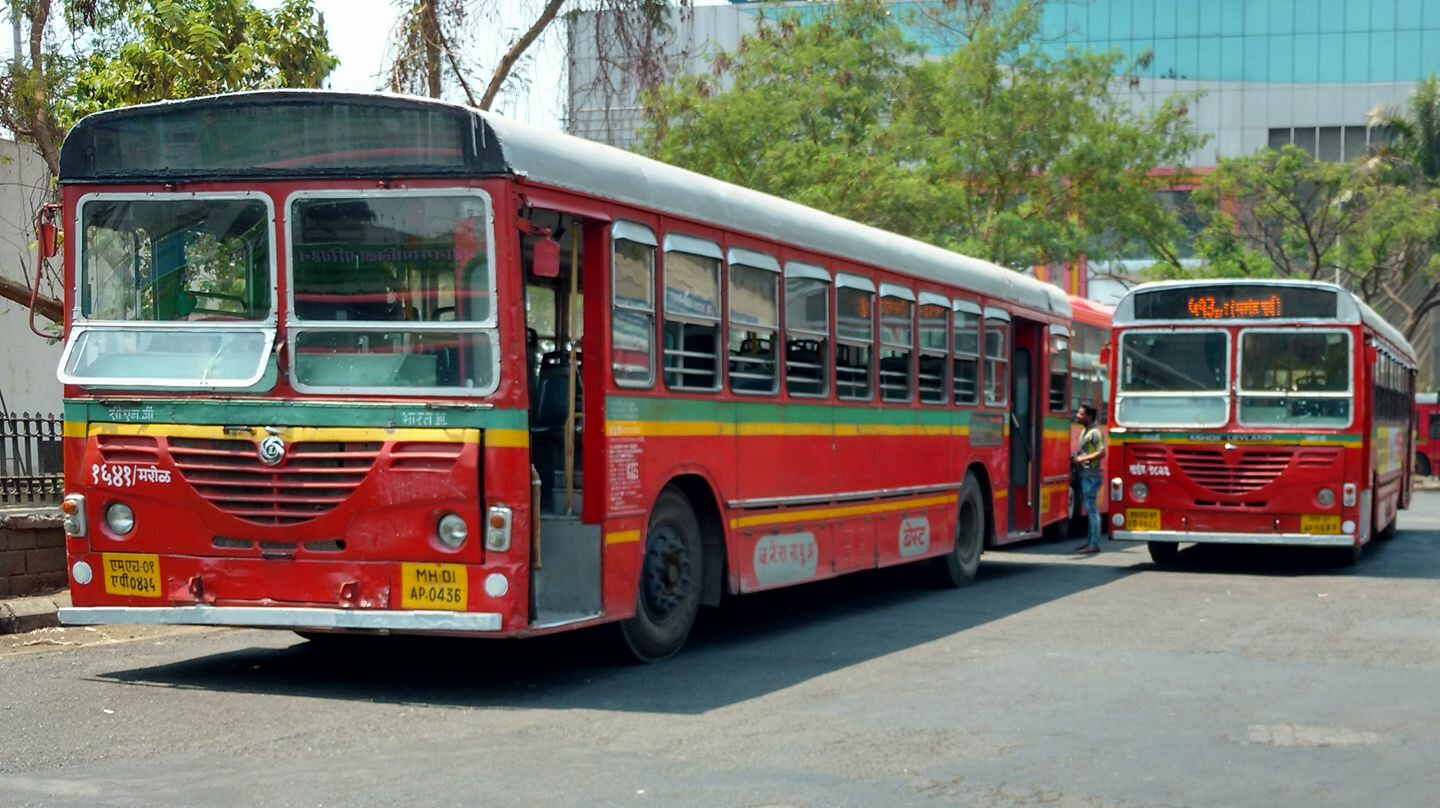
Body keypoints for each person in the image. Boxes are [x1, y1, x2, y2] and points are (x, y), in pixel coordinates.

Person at [1072, 402, 1106, 555]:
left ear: (1089, 416)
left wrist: (1081, 459)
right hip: (1087, 475)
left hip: (1091, 476)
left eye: (1081, 414)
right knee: (1090, 509)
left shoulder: (1095, 433)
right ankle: (1090, 542)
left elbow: (1101, 452)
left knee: (1092, 511)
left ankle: (1093, 544)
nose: (1077, 416)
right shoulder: (1086, 431)